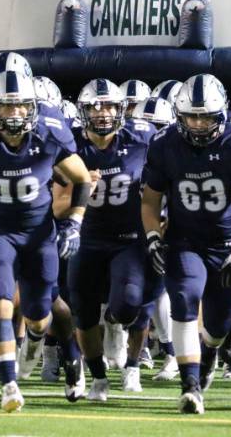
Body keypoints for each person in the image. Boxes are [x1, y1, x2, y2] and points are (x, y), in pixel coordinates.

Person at [0, 70, 92, 412]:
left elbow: (82, 180)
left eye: (21, 107)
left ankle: (71, 354)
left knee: (39, 315)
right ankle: (9, 384)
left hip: (39, 232)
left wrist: (74, 222)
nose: (14, 115)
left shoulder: (50, 131)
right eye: (6, 107)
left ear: (33, 107)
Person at [141, 73, 231, 414]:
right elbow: (150, 201)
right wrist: (154, 237)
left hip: (227, 244)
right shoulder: (164, 143)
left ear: (222, 114)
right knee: (183, 299)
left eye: (206, 117)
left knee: (220, 324)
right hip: (186, 241)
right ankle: (190, 386)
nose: (197, 124)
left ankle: (210, 351)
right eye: (191, 116)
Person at [61, 79, 155, 399]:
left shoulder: (142, 140)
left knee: (129, 305)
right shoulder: (68, 144)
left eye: (110, 107)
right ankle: (99, 377)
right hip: (84, 238)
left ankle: (116, 322)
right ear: (83, 111)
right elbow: (54, 200)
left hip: (128, 238)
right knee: (84, 313)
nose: (103, 114)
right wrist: (79, 184)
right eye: (95, 107)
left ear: (121, 110)